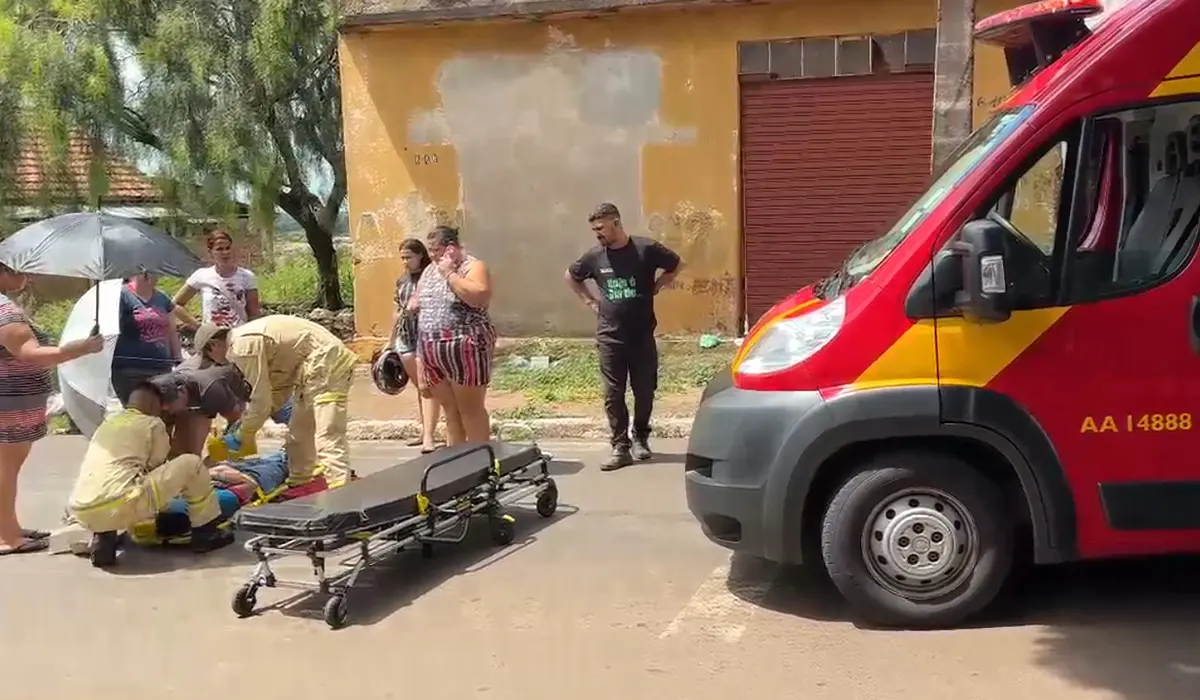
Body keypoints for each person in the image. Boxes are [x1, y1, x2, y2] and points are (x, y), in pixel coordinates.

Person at [67, 379, 234, 567]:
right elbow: (157, 465)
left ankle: (104, 538)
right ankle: (206, 532)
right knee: (191, 464)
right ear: (156, 405)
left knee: (113, 480)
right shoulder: (152, 423)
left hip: (81, 509)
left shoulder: (107, 424)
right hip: (121, 503)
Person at [566, 203, 682, 471]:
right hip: (610, 336)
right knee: (613, 392)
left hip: (641, 334)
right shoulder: (595, 257)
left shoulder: (646, 249)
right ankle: (620, 446)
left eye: (601, 228)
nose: (597, 234)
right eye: (594, 229)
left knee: (645, 391)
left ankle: (640, 436)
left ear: (616, 223)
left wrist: (658, 285)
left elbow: (676, 264)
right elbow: (571, 276)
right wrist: (590, 302)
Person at [0, 265, 105, 555]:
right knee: (6, 469)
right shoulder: (5, 312)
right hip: (11, 401)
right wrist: (81, 348)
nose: (27, 277)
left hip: (13, 399)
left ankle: (8, 527)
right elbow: (31, 355)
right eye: (19, 271)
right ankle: (7, 537)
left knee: (8, 468)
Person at [219, 315, 358, 489]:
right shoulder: (247, 344)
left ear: (213, 346)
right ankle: (299, 484)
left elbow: (260, 401)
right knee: (298, 437)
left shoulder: (241, 348)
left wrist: (243, 434)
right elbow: (277, 392)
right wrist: (246, 427)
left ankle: (340, 494)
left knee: (328, 436)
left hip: (328, 364)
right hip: (311, 370)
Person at [410, 226, 496, 446]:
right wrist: (420, 360)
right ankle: (456, 463)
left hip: (464, 345)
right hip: (432, 349)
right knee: (451, 411)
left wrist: (449, 274)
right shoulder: (429, 271)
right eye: (430, 251)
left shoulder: (472, 266)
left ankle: (479, 460)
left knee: (470, 409)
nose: (432, 255)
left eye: (436, 250)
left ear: (451, 248)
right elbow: (421, 312)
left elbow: (478, 297)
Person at [389, 238, 441, 453]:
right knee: (419, 387)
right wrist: (389, 341)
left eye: (408, 257)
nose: (405, 262)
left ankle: (429, 436)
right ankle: (425, 430)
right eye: (402, 258)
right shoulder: (402, 281)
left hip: (425, 336)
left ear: (420, 255)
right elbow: (396, 310)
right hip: (405, 336)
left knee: (426, 386)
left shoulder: (431, 277)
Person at [111, 272, 184, 406]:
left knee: (165, 413)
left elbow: (171, 332)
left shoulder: (162, 299)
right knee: (138, 414)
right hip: (130, 370)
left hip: (162, 368)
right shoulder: (121, 296)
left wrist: (178, 360)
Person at [172, 229, 261, 329]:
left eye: (228, 248)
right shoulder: (201, 275)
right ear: (211, 252)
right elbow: (176, 305)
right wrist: (198, 326)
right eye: (219, 249)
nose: (225, 253)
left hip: (238, 336)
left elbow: (254, 313)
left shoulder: (247, 276)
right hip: (213, 337)